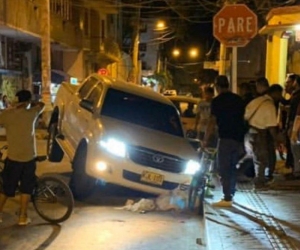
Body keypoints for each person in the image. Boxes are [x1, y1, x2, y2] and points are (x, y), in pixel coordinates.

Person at [0, 90, 45, 225]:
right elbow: (42, 104)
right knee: (26, 189)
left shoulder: (7, 114)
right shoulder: (32, 113)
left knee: (6, 189)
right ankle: (22, 217)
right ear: (28, 101)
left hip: (13, 159)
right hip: (29, 159)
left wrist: (14, 107)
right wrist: (30, 103)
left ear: (16, 100)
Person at [203, 75, 245, 207]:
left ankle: (227, 198)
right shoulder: (238, 100)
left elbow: (212, 122)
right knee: (232, 167)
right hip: (238, 138)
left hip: (225, 138)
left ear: (217, 87)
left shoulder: (217, 101)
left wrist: (206, 139)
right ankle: (231, 193)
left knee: (224, 168)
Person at [245, 84, 283, 190]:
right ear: (275, 93)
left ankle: (253, 178)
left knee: (254, 157)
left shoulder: (257, 101)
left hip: (249, 132)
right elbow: (271, 126)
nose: (280, 97)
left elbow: (245, 115)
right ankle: (259, 183)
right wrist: (276, 140)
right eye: (280, 94)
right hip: (259, 134)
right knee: (261, 159)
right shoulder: (269, 105)